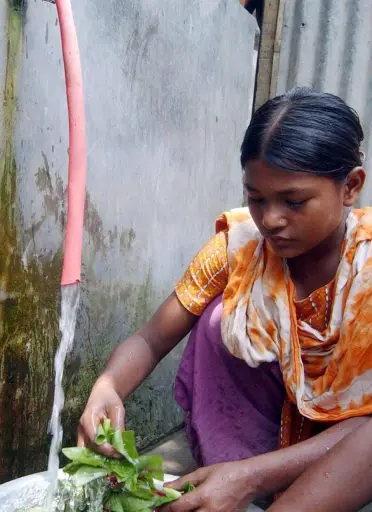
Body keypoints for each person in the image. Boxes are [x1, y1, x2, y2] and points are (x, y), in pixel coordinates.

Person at [77, 87, 372, 511]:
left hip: (346, 459)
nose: (270, 219)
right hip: (255, 447)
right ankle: (230, 479)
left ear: (351, 187)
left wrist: (251, 477)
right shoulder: (241, 247)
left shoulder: (365, 272)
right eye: (256, 198)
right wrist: (106, 388)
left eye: (294, 201)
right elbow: (150, 340)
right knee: (221, 317)